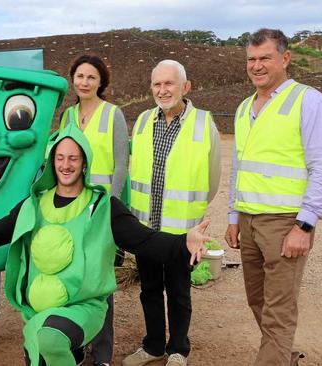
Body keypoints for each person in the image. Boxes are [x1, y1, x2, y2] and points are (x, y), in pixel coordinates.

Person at [0, 123, 212, 366]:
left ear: (84, 163)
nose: (66, 164)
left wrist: (185, 242)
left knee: (50, 339)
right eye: (60, 157)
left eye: (73, 158)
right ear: (52, 161)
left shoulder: (104, 206)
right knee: (37, 350)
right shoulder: (34, 204)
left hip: (83, 307)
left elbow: (146, 242)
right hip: (38, 310)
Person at [224, 28, 322, 366]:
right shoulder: (244, 109)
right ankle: (286, 356)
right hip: (249, 220)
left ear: (285, 59)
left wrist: (304, 224)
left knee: (278, 309)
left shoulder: (308, 101)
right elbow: (239, 167)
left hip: (285, 223)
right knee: (258, 301)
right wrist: (233, 217)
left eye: (265, 58)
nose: (256, 66)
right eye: (251, 59)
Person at [123, 60, 221, 366]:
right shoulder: (141, 121)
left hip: (182, 232)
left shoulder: (204, 124)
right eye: (157, 84)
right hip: (146, 229)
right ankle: (153, 346)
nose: (162, 90)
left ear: (185, 87)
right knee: (150, 290)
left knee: (179, 292)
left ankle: (178, 349)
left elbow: (213, 179)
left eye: (169, 84)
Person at [57, 54, 130, 366]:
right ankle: (75, 345)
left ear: (102, 82)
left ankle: (101, 354)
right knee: (72, 278)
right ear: (73, 79)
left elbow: (121, 164)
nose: (84, 82)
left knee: (99, 283)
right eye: (80, 76)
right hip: (71, 210)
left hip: (100, 210)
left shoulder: (113, 114)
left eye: (91, 77)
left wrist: (109, 208)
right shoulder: (67, 116)